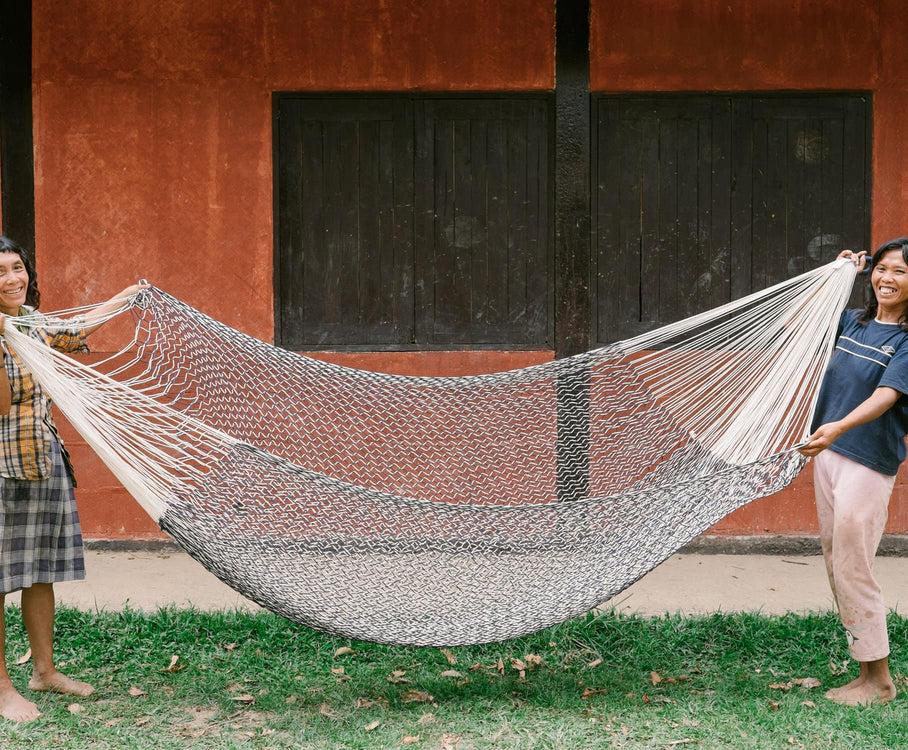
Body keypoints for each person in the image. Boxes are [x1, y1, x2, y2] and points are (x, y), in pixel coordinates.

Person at [0, 235, 146, 722]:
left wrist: (124, 299)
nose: (12, 278)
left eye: (16, 267)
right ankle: (1, 688)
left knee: (39, 572)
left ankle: (44, 671)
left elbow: (75, 327)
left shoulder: (32, 324)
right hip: (2, 467)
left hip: (43, 459)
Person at [798, 237, 908, 706]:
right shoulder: (853, 323)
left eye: (900, 272)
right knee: (836, 562)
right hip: (830, 456)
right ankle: (866, 672)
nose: (887, 278)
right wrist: (840, 274)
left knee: (853, 565)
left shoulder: (906, 341)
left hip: (867, 461)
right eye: (881, 268)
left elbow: (886, 396)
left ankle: (880, 682)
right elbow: (807, 323)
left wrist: (837, 426)